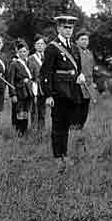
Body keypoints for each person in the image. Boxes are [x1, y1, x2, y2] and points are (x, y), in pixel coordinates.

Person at [40, 15, 85, 166]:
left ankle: (65, 154)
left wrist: (80, 75)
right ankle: (57, 157)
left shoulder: (73, 47)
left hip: (71, 91)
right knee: (58, 125)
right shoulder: (52, 48)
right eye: (65, 27)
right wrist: (48, 95)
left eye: (70, 28)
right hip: (58, 92)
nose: (68, 30)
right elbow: (46, 73)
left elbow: (77, 68)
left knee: (66, 125)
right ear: (58, 28)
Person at [6, 41, 36, 136]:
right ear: (18, 53)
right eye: (21, 51)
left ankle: (25, 130)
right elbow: (10, 81)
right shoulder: (14, 64)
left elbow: (34, 77)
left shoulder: (30, 63)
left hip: (28, 90)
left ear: (28, 52)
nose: (23, 53)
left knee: (26, 111)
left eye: (25, 51)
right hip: (19, 91)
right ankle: (19, 131)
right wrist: (13, 94)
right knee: (19, 111)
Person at [73, 30, 98, 130]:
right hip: (77, 84)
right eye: (82, 39)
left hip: (88, 84)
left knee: (85, 107)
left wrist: (93, 82)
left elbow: (92, 68)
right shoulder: (74, 52)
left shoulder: (89, 53)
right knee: (76, 108)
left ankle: (80, 128)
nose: (85, 41)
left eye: (86, 39)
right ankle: (73, 127)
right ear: (77, 41)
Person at [28, 36, 48, 129]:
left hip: (44, 86)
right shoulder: (31, 58)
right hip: (34, 85)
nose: (40, 46)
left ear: (45, 46)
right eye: (38, 44)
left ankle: (42, 129)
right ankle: (33, 128)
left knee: (43, 110)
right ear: (35, 46)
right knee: (34, 109)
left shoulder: (47, 57)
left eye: (42, 44)